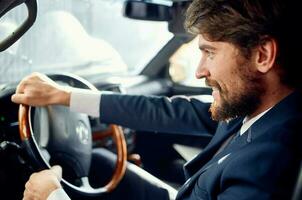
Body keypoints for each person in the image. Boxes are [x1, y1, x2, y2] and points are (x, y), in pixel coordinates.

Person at [11, 0, 302, 199]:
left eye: (210, 52)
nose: (200, 71)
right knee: (100, 162)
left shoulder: (268, 166)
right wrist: (64, 95)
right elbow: (170, 112)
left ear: (262, 55)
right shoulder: (260, 108)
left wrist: (53, 196)